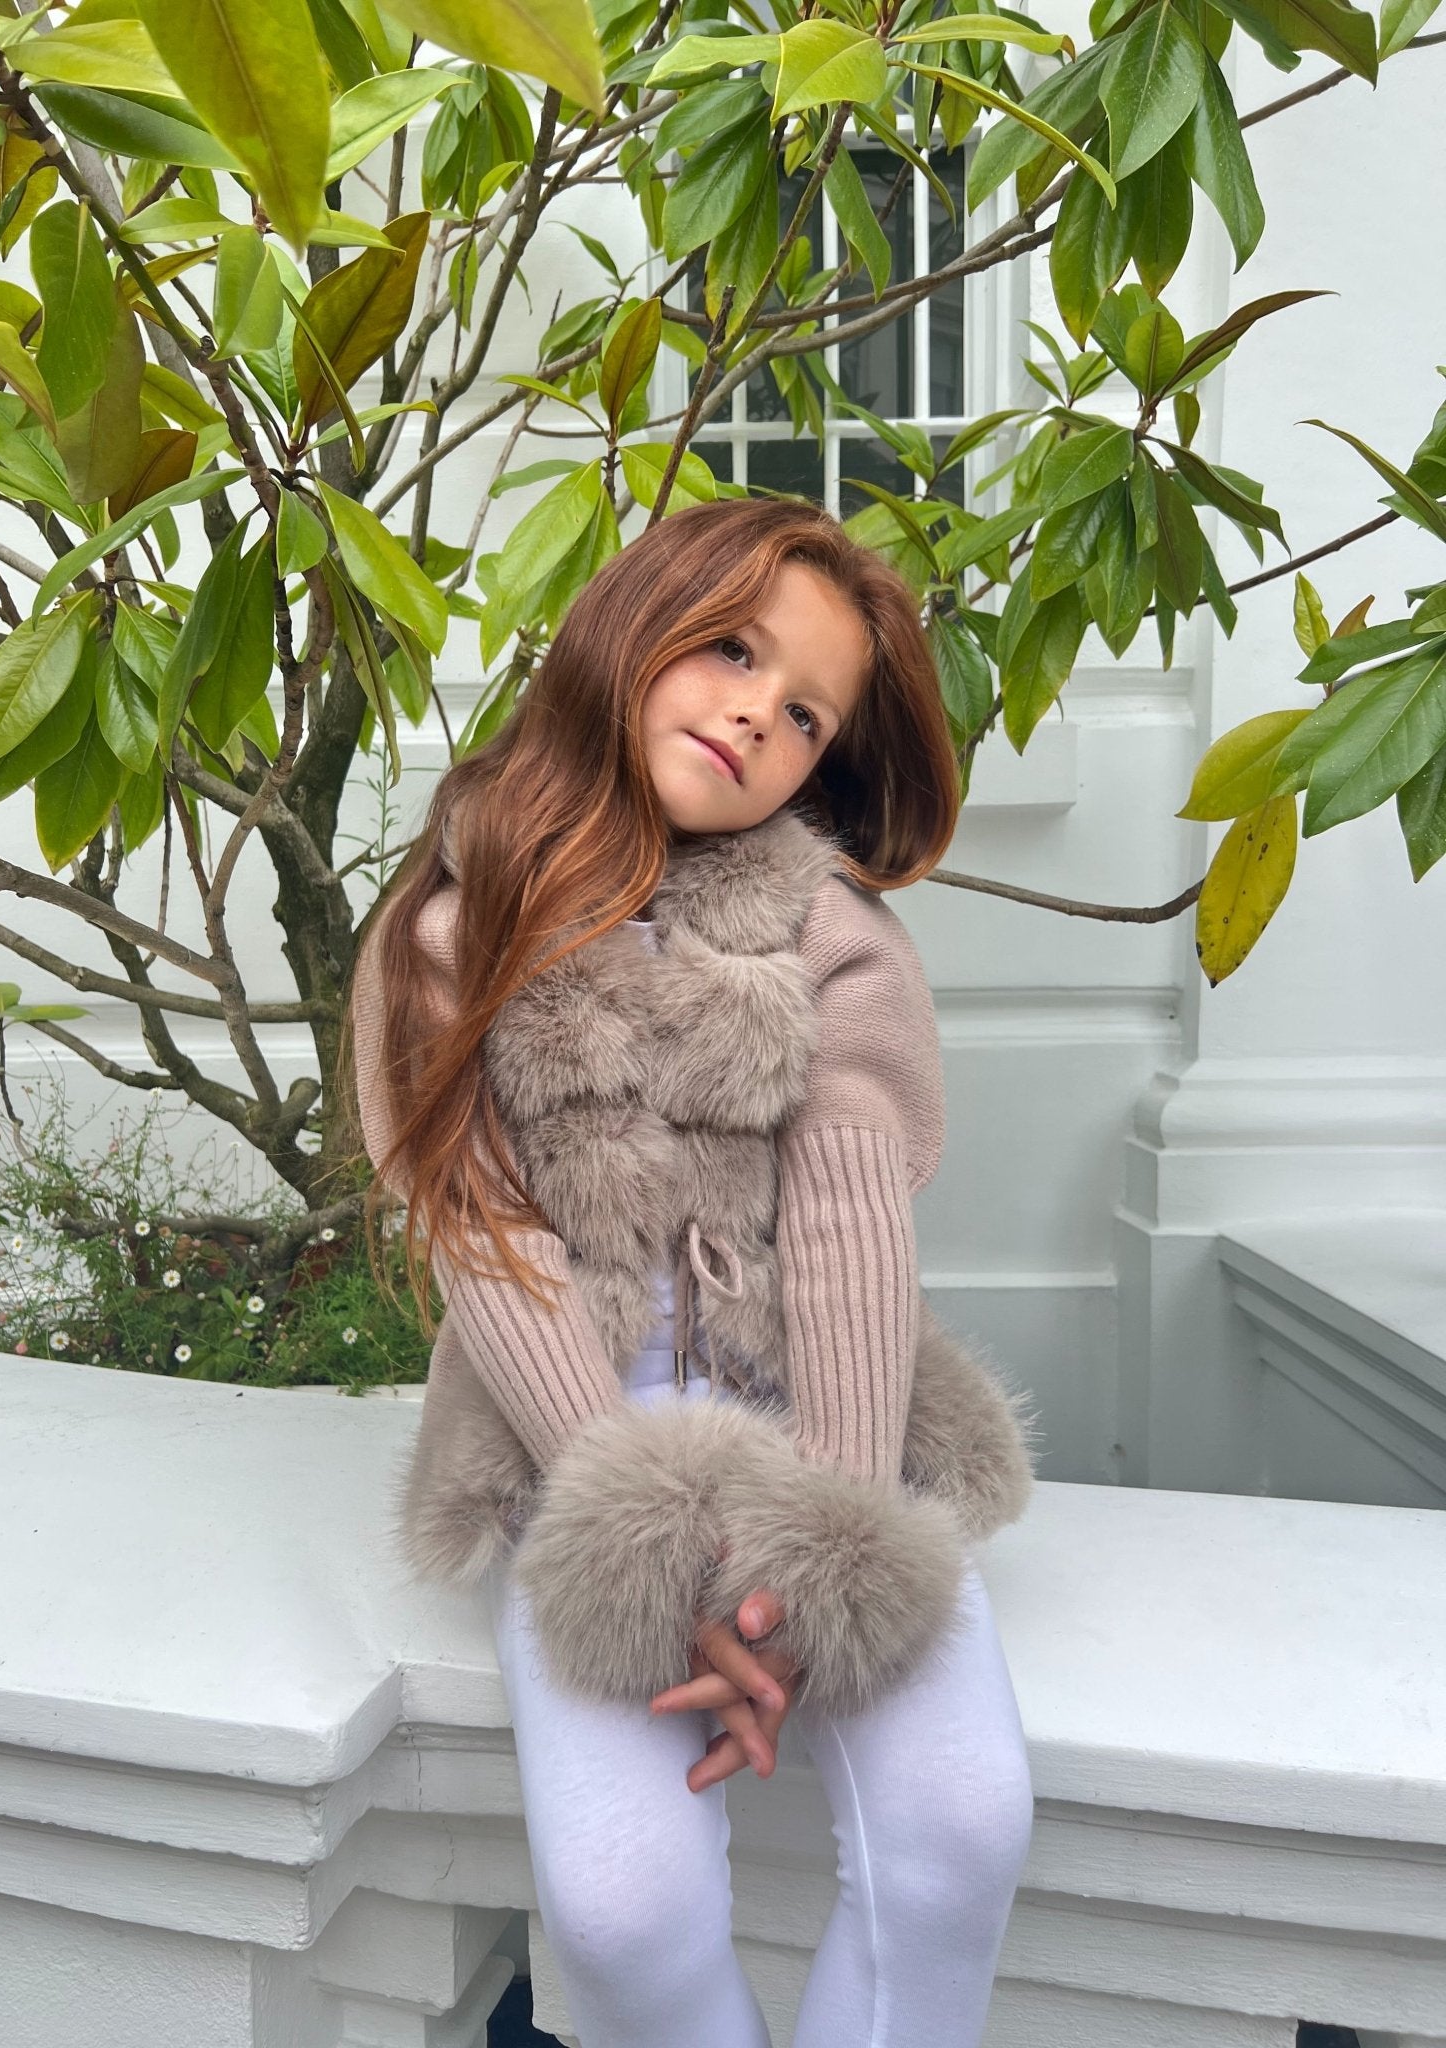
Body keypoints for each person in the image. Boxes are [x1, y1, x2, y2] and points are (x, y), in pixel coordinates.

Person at [347, 497, 1039, 2048]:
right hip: (576, 1442)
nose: (755, 714)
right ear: (631, 626)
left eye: (806, 715)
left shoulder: (833, 937)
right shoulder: (452, 935)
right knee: (619, 1906)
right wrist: (643, 1541)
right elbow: (492, 1241)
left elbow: (851, 1217)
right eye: (731, 649)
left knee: (963, 1827)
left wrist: (819, 1551)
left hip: (828, 1409)